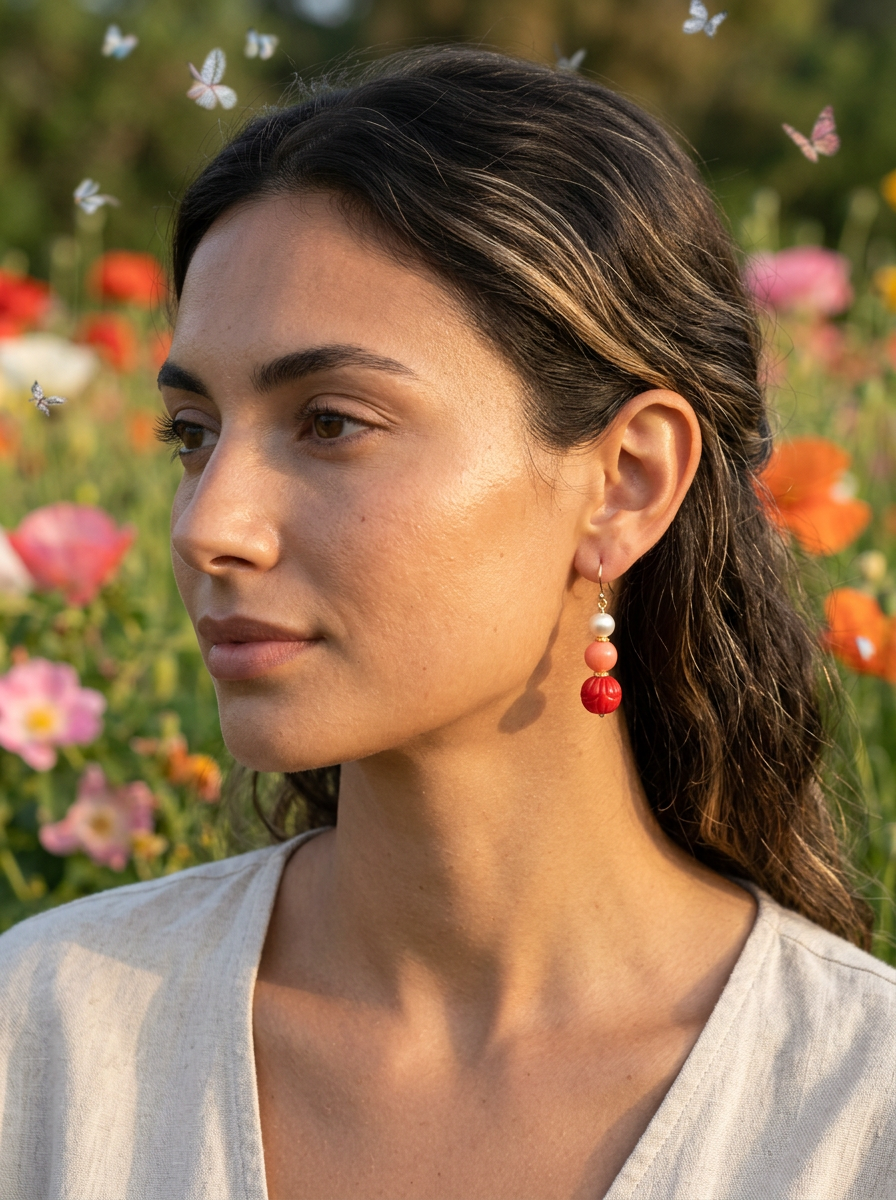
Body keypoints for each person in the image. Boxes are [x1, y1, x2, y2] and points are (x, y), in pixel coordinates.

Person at [1, 45, 894, 1200]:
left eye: (329, 421)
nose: (206, 523)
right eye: (193, 433)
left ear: (624, 481)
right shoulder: (49, 1040)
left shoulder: (851, 1116)